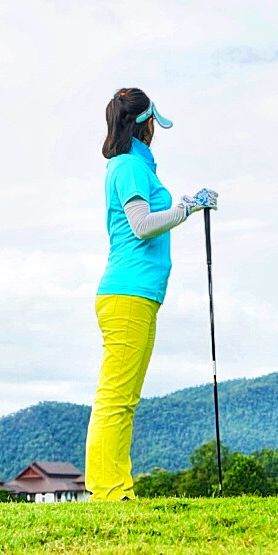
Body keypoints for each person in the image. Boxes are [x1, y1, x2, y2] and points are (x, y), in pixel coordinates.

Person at [85, 87, 217, 501]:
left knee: (124, 397)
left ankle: (116, 486)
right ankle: (108, 490)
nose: (157, 130)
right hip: (128, 292)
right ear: (145, 125)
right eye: (155, 123)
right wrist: (188, 207)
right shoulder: (128, 167)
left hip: (136, 294)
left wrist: (185, 205)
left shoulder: (135, 167)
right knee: (116, 396)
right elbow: (141, 225)